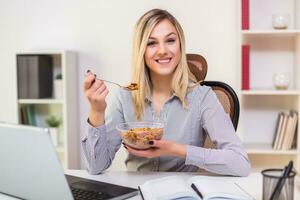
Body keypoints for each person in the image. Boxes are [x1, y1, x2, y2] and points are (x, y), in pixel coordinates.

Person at [82, 8, 250, 176]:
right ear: (141, 51)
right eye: (151, 43)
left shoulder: (203, 97)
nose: (162, 50)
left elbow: (240, 164)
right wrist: (97, 111)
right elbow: (96, 166)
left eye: (170, 40)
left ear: (180, 45)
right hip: (136, 192)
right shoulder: (124, 96)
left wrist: (175, 149)